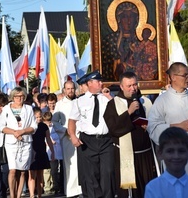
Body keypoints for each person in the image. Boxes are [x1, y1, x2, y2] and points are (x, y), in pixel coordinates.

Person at [103, 71, 157, 198]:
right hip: (126, 156)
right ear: (121, 86)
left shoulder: (144, 101)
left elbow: (154, 121)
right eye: (129, 86)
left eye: (135, 85)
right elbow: (114, 129)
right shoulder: (113, 104)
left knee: (148, 189)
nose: (133, 88)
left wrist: (148, 125)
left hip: (146, 155)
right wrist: (129, 112)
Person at [148, 62, 188, 180]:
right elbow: (153, 127)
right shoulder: (162, 100)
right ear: (173, 77)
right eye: (185, 75)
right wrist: (179, 126)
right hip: (173, 155)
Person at [68, 70, 116, 198]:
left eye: (101, 81)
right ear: (89, 83)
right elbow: (72, 121)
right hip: (88, 141)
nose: (101, 83)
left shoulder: (107, 99)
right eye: (98, 81)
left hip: (106, 140)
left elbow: (118, 113)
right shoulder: (79, 101)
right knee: (90, 175)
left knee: (108, 172)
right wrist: (73, 136)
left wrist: (110, 98)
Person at [144, 127, 188, 198]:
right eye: (170, 151)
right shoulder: (153, 188)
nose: (176, 156)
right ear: (160, 154)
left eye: (181, 151)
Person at [0, 87, 37, 198]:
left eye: (21, 96)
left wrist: (23, 131)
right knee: (12, 170)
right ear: (13, 97)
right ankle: (12, 195)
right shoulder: (6, 109)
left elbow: (34, 126)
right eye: (16, 96)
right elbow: (2, 127)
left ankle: (18, 194)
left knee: (22, 170)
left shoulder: (29, 109)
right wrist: (14, 132)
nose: (19, 98)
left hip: (25, 143)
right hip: (11, 143)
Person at [52, 80, 82, 197]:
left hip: (80, 135)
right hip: (67, 137)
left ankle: (81, 189)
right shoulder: (60, 104)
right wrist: (65, 130)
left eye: (72, 89)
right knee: (70, 164)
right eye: (68, 89)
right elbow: (54, 121)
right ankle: (71, 190)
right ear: (64, 90)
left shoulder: (80, 101)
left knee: (80, 163)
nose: (70, 91)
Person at [28, 108, 55, 198]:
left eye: (40, 117)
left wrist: (52, 151)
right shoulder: (29, 126)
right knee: (32, 174)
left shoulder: (44, 126)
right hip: (32, 151)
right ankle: (32, 194)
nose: (38, 119)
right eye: (36, 117)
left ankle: (39, 194)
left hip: (41, 151)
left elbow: (48, 139)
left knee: (40, 174)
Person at [43, 111, 63, 195]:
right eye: (46, 121)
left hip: (54, 152)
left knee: (54, 170)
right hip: (47, 152)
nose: (48, 123)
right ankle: (47, 186)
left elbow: (59, 134)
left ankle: (55, 186)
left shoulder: (54, 127)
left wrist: (54, 141)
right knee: (47, 170)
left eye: (49, 121)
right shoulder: (43, 128)